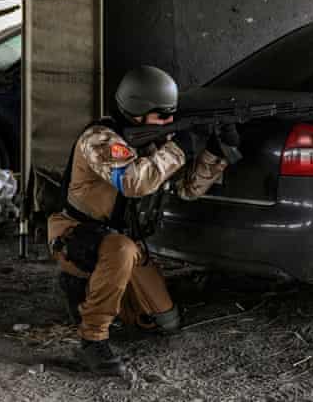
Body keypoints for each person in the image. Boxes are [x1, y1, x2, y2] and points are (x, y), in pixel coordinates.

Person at [47, 65, 238, 376]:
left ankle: (90, 294)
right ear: (136, 111)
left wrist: (216, 153)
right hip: (76, 236)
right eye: (162, 116)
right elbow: (134, 181)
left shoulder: (153, 144)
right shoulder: (100, 138)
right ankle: (92, 339)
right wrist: (180, 148)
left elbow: (188, 190)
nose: (169, 123)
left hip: (123, 243)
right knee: (120, 249)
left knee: (163, 321)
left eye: (171, 116)